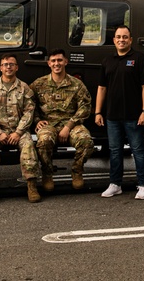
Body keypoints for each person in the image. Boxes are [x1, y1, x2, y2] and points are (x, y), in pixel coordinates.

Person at [95, 25, 144, 200]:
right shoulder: (107, 61)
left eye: (125, 37)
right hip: (112, 116)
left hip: (134, 115)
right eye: (118, 37)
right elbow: (102, 88)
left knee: (138, 150)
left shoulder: (139, 59)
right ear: (114, 40)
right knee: (114, 151)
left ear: (131, 40)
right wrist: (98, 112)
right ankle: (115, 184)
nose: (121, 40)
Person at [31, 49, 94, 191]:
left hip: (71, 124)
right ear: (48, 63)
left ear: (66, 61)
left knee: (86, 141)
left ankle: (77, 171)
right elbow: (29, 105)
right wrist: (36, 120)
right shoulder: (39, 84)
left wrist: (69, 126)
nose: (56, 64)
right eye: (53, 61)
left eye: (59, 60)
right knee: (44, 141)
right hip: (48, 124)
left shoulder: (76, 84)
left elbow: (85, 106)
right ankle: (47, 173)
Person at [0, 53, 40, 204]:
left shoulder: (24, 88)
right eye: (5, 64)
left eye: (11, 64)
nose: (8, 67)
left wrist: (18, 132)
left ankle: (32, 186)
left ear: (17, 67)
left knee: (28, 146)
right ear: (1, 68)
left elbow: (29, 111)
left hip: (18, 131)